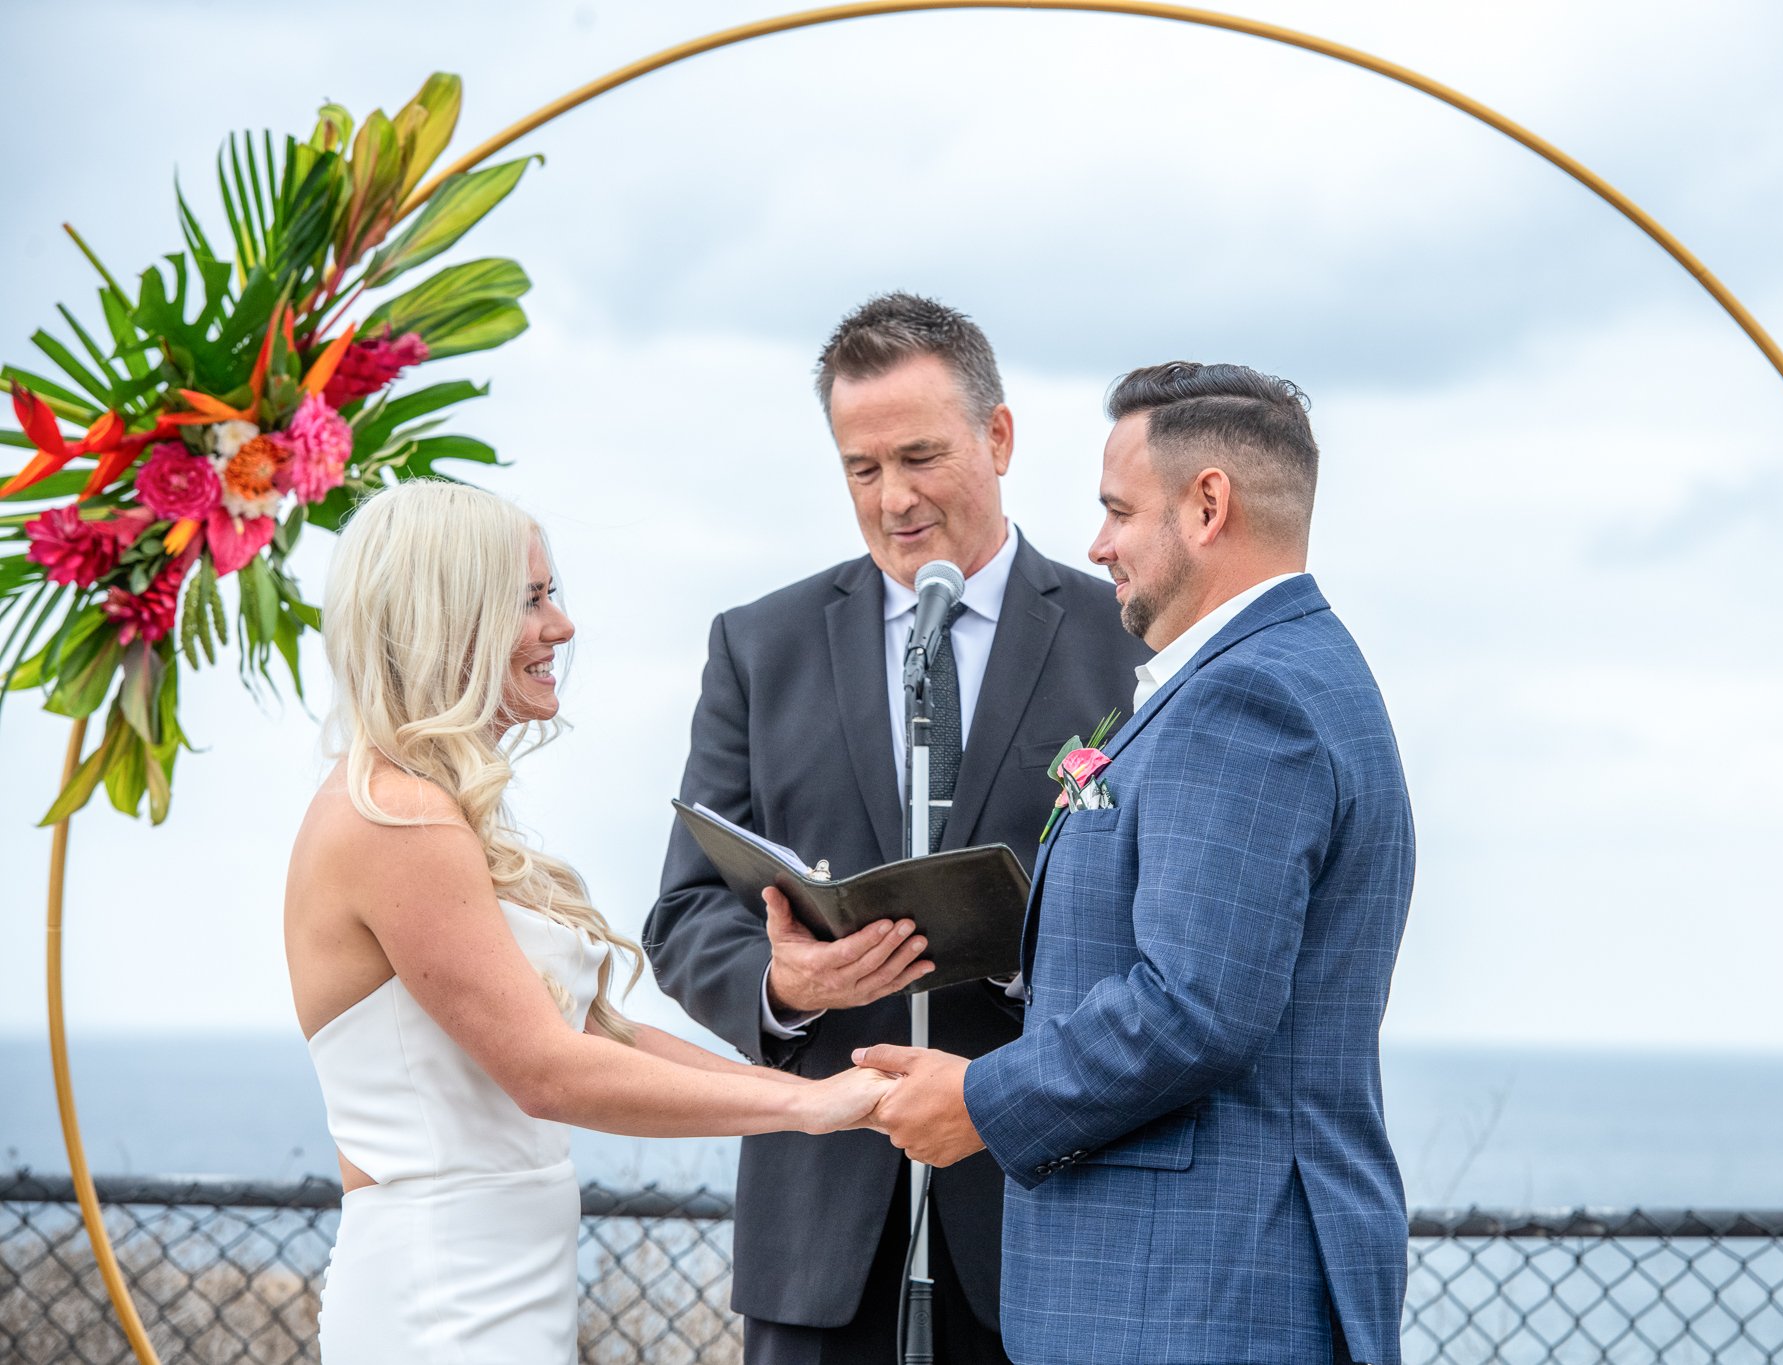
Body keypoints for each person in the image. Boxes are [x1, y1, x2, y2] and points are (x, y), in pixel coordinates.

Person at [856, 363, 1417, 1365]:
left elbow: (1196, 1004)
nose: (1097, 544)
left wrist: (980, 1102)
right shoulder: (1287, 671)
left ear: (1207, 506)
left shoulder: (1248, 698)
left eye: (1118, 511)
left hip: (1199, 1297)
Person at [644, 293, 1147, 1364]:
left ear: (998, 437)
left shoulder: (1126, 644)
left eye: (920, 457)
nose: (893, 499)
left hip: (1046, 1214)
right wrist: (783, 986)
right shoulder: (758, 646)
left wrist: (1029, 957)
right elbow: (683, 913)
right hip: (821, 1237)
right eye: (861, 469)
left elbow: (1164, 911)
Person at [286, 480, 894, 1364]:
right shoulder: (395, 817)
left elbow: (597, 1035)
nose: (561, 627)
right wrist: (811, 1108)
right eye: (529, 600)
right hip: (441, 1300)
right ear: (448, 615)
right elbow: (548, 1070)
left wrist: (825, 1098)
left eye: (552, 594)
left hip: (503, 1285)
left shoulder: (428, 808)